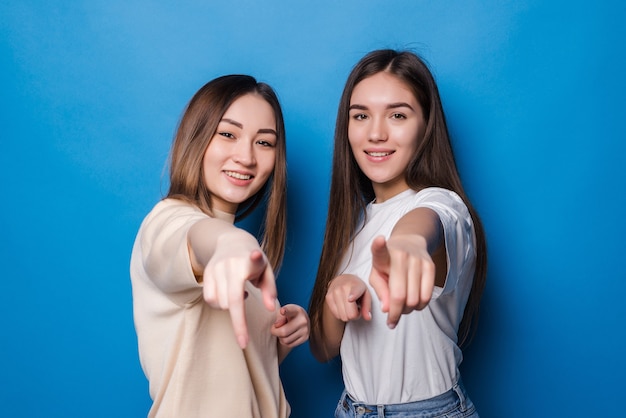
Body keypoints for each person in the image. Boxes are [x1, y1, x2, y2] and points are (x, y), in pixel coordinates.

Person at [308, 49, 487, 417]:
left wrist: (409, 242)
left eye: (398, 115)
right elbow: (323, 348)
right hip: (351, 408)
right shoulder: (354, 224)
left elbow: (429, 221)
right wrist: (336, 294)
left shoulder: (443, 205)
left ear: (425, 126)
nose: (376, 133)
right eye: (361, 116)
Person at [130, 75, 309, 418]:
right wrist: (230, 242)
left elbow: (235, 370)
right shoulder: (166, 222)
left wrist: (282, 335)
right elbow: (195, 237)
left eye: (265, 142)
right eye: (228, 134)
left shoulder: (244, 264)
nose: (246, 157)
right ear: (196, 137)